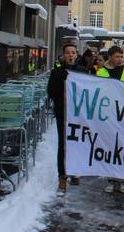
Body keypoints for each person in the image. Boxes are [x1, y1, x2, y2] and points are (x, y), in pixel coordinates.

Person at [47, 44, 87, 195]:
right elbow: (51, 93)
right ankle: (62, 177)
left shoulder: (83, 72)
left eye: (73, 52)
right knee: (63, 144)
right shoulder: (56, 72)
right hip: (63, 114)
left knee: (78, 143)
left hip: (79, 115)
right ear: (63, 56)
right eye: (68, 53)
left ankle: (76, 171)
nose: (70, 55)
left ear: (76, 55)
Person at [96, 46, 124, 194]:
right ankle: (111, 179)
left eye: (122, 56)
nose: (120, 59)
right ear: (110, 57)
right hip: (109, 115)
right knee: (110, 147)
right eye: (118, 56)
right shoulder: (101, 72)